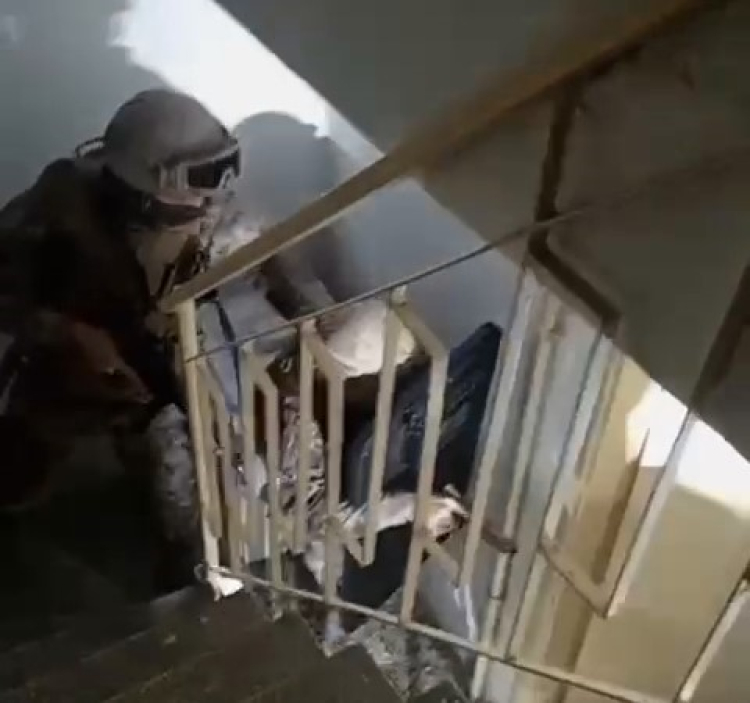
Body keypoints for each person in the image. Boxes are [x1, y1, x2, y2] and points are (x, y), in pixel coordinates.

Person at [0, 88, 241, 590]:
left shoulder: (192, 213)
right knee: (23, 469)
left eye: (222, 170)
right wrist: (69, 333)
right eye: (198, 181)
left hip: (141, 351)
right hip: (63, 366)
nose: (212, 197)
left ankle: (181, 576)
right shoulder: (56, 210)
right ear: (141, 187)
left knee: (162, 454)